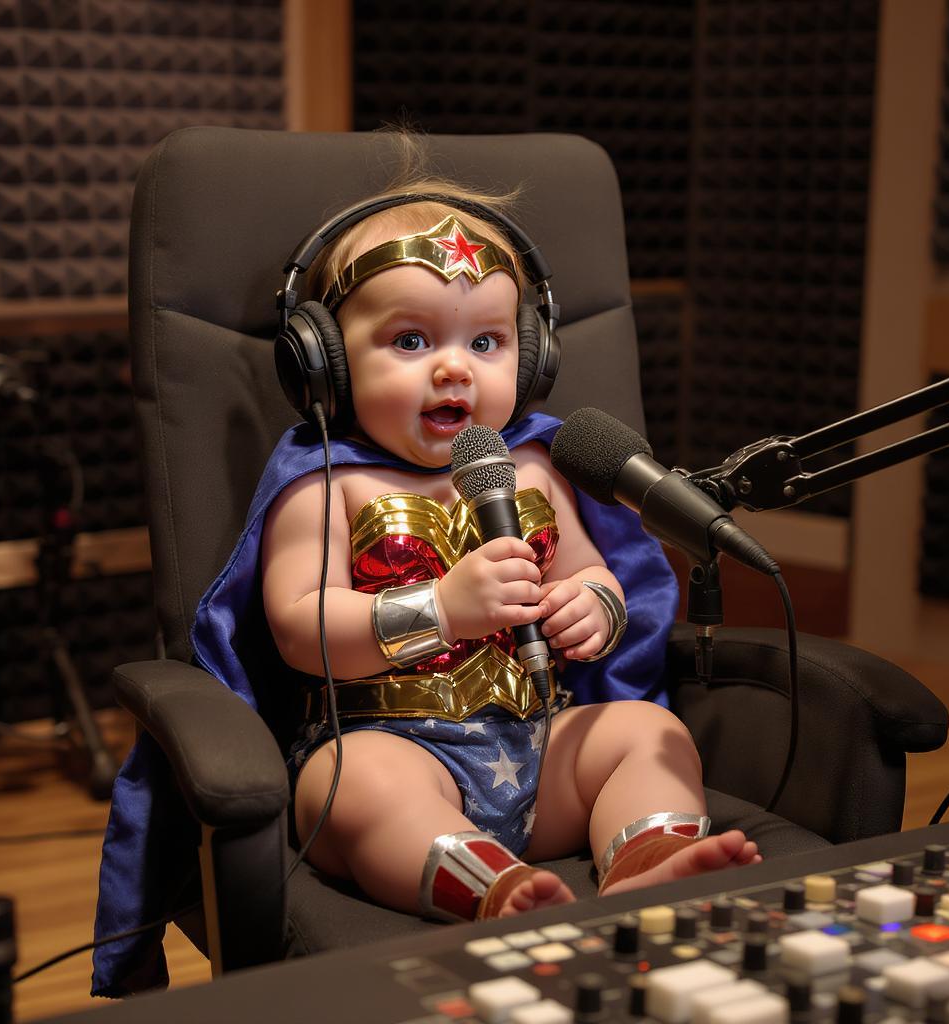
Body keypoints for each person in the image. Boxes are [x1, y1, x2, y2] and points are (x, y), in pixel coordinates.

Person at [254, 177, 760, 923]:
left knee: (647, 733)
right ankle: (494, 891)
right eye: (411, 340)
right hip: (397, 746)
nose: (455, 368)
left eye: (485, 342)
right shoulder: (328, 484)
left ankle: (647, 858)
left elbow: (595, 570)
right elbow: (299, 628)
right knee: (354, 782)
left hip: (536, 741)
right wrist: (444, 609)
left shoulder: (532, 469)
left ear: (529, 361)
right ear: (324, 361)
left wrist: (593, 607)